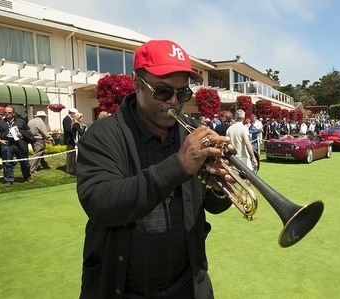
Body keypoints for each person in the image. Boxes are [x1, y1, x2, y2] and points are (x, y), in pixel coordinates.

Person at [76, 39, 234, 298]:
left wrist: (219, 186)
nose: (174, 101)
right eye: (162, 91)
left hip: (186, 285)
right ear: (137, 84)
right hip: (125, 291)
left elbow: (212, 205)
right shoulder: (102, 135)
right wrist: (179, 165)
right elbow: (100, 204)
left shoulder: (192, 132)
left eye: (183, 93)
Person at [0, 106, 34, 186]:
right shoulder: (0, 122)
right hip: (6, 144)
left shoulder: (21, 121)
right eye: (6, 112)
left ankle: (27, 176)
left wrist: (22, 133)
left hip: (20, 143)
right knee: (7, 162)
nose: (7, 113)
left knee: (24, 161)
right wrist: (0, 140)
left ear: (13, 113)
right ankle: (8, 179)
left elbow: (28, 131)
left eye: (9, 112)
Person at [62, 107, 78, 174]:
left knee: (73, 155)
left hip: (72, 139)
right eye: (74, 113)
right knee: (70, 155)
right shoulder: (66, 119)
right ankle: (69, 169)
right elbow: (68, 129)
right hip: (69, 140)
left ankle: (72, 168)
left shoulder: (70, 119)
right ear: (71, 113)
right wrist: (74, 129)